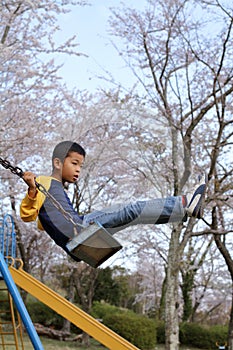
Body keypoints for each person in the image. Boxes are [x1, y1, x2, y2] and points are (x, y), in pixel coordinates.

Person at [20, 141, 207, 262]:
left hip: (75, 238)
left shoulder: (55, 191)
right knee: (131, 210)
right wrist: (31, 189)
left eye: (81, 166)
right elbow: (27, 215)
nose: (78, 170)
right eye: (74, 163)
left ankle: (182, 209)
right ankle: (183, 204)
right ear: (58, 163)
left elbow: (43, 222)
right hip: (79, 229)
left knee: (133, 216)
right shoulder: (44, 182)